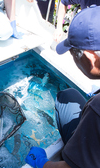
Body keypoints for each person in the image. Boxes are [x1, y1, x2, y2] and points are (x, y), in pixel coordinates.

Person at [25, 5, 100, 168]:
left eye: (73, 53)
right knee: (68, 95)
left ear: (90, 57)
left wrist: (41, 163)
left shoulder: (97, 109)